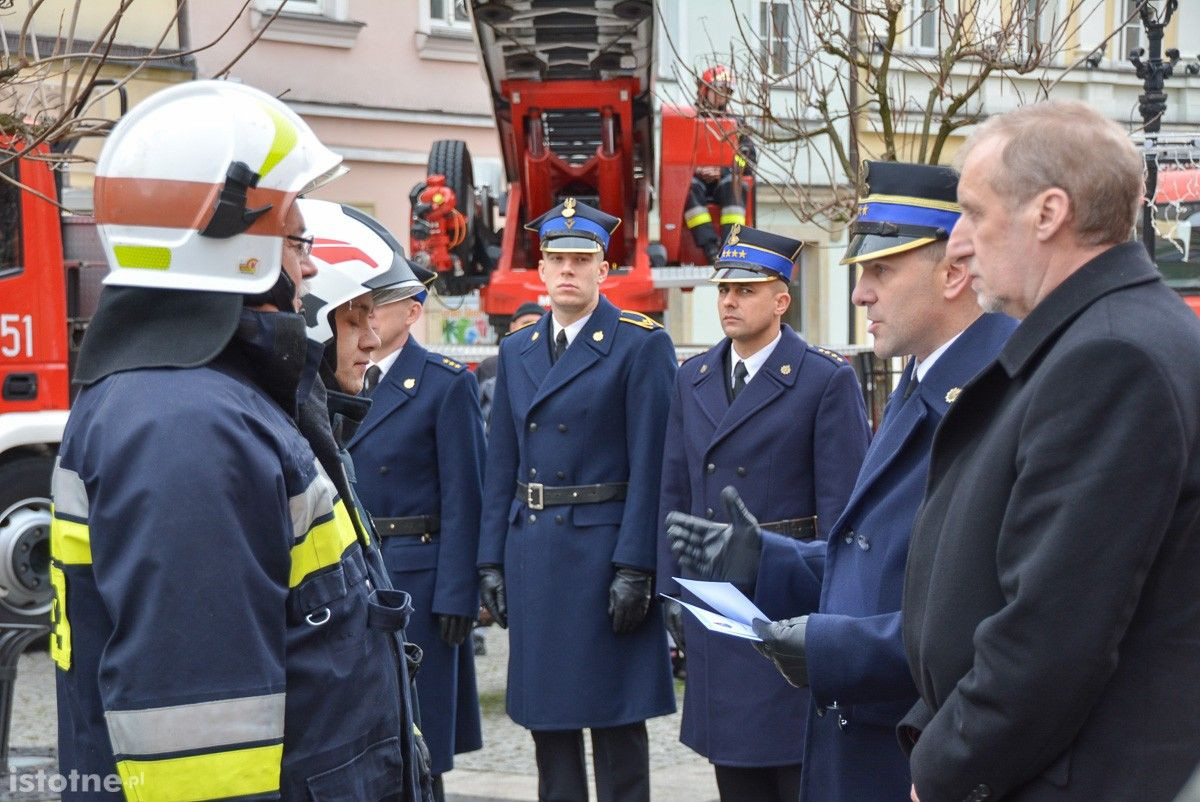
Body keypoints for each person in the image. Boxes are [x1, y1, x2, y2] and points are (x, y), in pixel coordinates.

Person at [49, 80, 429, 800]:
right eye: (295, 238)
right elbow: (201, 761)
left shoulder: (199, 402)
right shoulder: (188, 429)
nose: (310, 266)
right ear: (230, 240)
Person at [666, 161, 1016, 802]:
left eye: (881, 270)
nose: (860, 293)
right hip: (865, 743)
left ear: (955, 272)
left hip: (922, 754)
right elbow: (874, 560)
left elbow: (992, 622)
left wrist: (836, 647)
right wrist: (766, 559)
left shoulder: (1000, 396)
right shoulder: (921, 379)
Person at [898, 100, 1200, 802]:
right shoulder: (1094, 338)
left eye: (974, 213)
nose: (958, 243)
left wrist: (944, 770)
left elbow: (1050, 636)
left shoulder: (1112, 357)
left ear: (1048, 212)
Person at [657, 224, 870, 802]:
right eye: (723, 289)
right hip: (717, 604)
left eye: (746, 290)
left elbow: (843, 516)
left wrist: (836, 615)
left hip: (785, 606)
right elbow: (674, 491)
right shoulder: (693, 377)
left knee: (793, 773)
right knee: (736, 777)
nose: (729, 301)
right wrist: (670, 593)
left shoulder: (823, 380)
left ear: (782, 300)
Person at [478, 198, 677, 802]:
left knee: (617, 728)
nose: (568, 269)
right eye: (557, 258)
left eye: (581, 259)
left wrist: (638, 566)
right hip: (536, 552)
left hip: (605, 555)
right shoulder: (518, 351)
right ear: (541, 270)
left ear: (603, 269)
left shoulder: (639, 345)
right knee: (551, 730)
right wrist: (490, 559)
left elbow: (654, 466)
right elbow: (501, 463)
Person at [348, 246, 486, 801]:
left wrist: (458, 594)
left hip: (418, 575)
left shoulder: (443, 383)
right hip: (356, 569)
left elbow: (465, 495)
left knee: (421, 737)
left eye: (383, 302)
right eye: (364, 303)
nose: (371, 315)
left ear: (412, 311)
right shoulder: (340, 375)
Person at [685, 64, 757, 264]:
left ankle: (730, 247)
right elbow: (677, 155)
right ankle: (710, 247)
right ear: (704, 90)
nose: (721, 97)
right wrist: (696, 170)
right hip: (695, 179)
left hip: (725, 179)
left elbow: (748, 157)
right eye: (717, 91)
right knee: (687, 189)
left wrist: (724, 170)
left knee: (734, 185)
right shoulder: (688, 120)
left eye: (726, 92)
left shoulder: (737, 124)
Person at [477, 301, 545, 425]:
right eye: (526, 323)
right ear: (512, 327)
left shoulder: (553, 361)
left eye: (537, 323)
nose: (532, 328)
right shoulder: (490, 366)